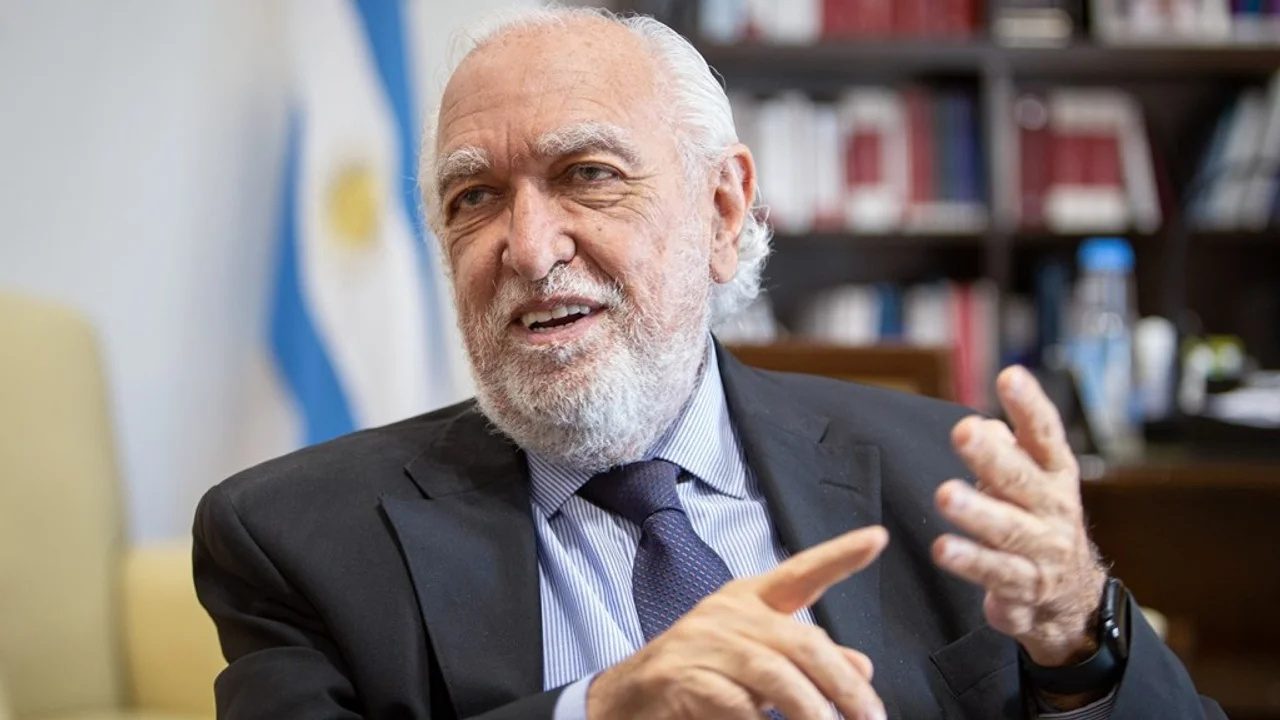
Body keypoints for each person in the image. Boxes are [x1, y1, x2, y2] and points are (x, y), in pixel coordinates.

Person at [193, 7, 1223, 719]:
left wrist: (1076, 634)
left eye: (587, 174)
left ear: (722, 212)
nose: (529, 248)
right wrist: (603, 709)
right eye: (475, 199)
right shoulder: (296, 540)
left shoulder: (945, 475)